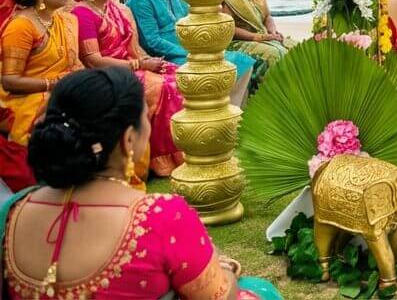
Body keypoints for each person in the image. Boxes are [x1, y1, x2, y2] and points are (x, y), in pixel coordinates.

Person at [0, 68, 281, 299]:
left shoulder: (15, 209)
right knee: (260, 292)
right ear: (128, 139)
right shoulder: (160, 217)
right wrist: (226, 269)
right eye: (147, 119)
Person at [71, 0, 184, 180]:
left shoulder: (118, 8)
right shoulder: (82, 14)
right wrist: (140, 65)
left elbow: (134, 48)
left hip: (132, 66)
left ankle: (188, 145)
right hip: (106, 75)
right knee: (165, 87)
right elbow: (93, 59)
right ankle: (163, 160)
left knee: (180, 74)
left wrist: (150, 61)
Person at [128, 0, 253, 108]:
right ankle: (216, 113)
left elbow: (194, 21)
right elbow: (152, 41)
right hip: (169, 56)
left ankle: (231, 112)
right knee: (220, 68)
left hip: (190, 49)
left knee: (244, 61)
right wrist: (190, 52)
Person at [0, 0, 82, 145]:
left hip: (63, 88)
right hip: (28, 98)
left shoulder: (67, 20)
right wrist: (53, 85)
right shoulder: (21, 27)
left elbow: (75, 65)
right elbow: (10, 82)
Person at [221, 0, 292, 94]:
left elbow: (267, 16)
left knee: (297, 48)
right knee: (275, 55)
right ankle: (270, 99)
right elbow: (229, 28)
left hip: (264, 35)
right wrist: (258, 37)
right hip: (239, 41)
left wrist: (272, 32)